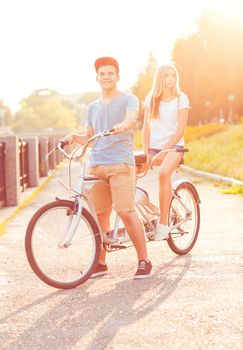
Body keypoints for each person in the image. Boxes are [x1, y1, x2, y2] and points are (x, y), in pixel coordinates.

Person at [64, 57, 152, 279]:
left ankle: (144, 260)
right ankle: (101, 262)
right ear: (97, 78)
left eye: (110, 73)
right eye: (102, 74)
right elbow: (90, 138)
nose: (106, 77)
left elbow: (132, 118)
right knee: (101, 215)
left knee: (125, 211)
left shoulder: (128, 99)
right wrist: (74, 137)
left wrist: (124, 124)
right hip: (97, 166)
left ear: (117, 76)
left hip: (120, 164)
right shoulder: (92, 107)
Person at [142, 64, 189, 240]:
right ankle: (156, 210)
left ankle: (163, 224)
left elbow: (180, 131)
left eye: (173, 75)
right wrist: (146, 152)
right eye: (166, 76)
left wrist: (163, 151)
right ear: (159, 79)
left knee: (163, 175)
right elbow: (146, 128)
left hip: (175, 147)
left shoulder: (181, 98)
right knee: (128, 173)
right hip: (153, 148)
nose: (170, 79)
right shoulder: (151, 99)